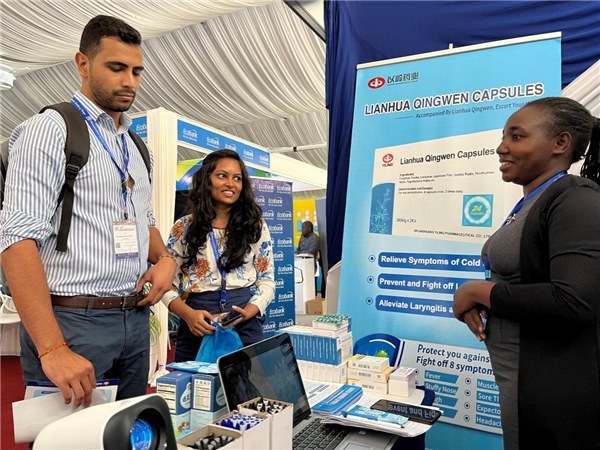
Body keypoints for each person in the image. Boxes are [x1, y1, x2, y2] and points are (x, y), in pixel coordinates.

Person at [0, 16, 176, 408]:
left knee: (129, 432)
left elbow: (143, 221)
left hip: (134, 319)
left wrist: (165, 259)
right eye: (116, 68)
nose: (129, 81)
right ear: (83, 63)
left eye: (136, 71)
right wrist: (52, 348)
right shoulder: (50, 129)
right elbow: (15, 240)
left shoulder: (136, 146)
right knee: (69, 437)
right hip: (72, 322)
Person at [452, 97, 600, 450]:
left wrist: (476, 292)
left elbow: (573, 300)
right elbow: (528, 283)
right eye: (504, 137)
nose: (501, 147)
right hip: (519, 380)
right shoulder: (534, 202)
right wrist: (492, 300)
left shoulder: (575, 199)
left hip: (549, 389)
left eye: (516, 137)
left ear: (560, 143)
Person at [161, 149, 275, 362]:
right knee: (193, 383)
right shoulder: (184, 227)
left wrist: (249, 311)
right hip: (196, 323)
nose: (231, 184)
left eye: (237, 178)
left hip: (244, 321)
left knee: (245, 382)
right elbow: (165, 284)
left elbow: (267, 281)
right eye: (222, 175)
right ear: (207, 179)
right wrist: (187, 314)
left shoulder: (255, 227)